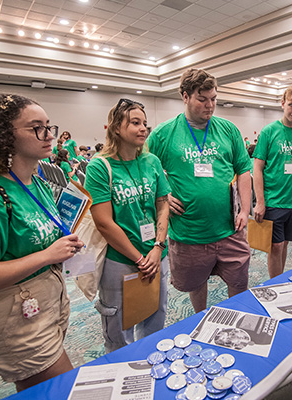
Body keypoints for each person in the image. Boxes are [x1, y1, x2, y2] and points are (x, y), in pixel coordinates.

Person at [0, 94, 84, 391]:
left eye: (49, 126)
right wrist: (47, 255)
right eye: (37, 128)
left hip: (47, 304)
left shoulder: (34, 183)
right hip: (15, 317)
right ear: (3, 137)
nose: (49, 135)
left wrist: (62, 245)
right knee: (63, 390)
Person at [147, 68, 252, 313]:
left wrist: (245, 210)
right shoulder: (164, 134)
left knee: (239, 282)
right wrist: (162, 197)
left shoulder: (228, 130)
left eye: (214, 99)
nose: (210, 105)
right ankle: (200, 317)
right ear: (185, 96)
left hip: (229, 229)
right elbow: (146, 173)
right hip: (189, 232)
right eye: (202, 99)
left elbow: (244, 170)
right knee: (196, 283)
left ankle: (237, 317)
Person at [85, 98, 170, 353]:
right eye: (135, 123)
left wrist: (157, 247)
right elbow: (104, 222)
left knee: (155, 317)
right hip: (120, 260)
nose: (144, 128)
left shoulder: (152, 161)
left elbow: (163, 205)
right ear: (115, 127)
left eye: (145, 123)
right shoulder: (100, 167)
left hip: (157, 254)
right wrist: (140, 258)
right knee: (119, 329)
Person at [253, 85, 292, 278]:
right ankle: (275, 283)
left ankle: (279, 278)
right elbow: (257, 168)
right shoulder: (269, 131)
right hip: (273, 200)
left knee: (286, 243)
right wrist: (260, 201)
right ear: (282, 104)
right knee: (276, 245)